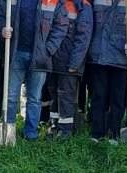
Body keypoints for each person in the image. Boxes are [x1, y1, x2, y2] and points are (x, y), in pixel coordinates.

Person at [0, 0, 69, 140]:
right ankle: (8, 131)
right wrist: (2, 28)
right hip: (15, 53)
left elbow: (61, 24)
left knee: (35, 97)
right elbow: (0, 15)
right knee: (10, 96)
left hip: (40, 56)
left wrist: (49, 49)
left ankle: (30, 133)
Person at [86, 0, 127, 142]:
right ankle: (97, 133)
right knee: (98, 95)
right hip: (98, 55)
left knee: (118, 98)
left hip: (122, 58)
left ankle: (114, 133)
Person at [46, 0, 93, 137]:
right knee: (54, 95)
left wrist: (74, 63)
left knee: (65, 97)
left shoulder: (83, 6)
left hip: (68, 62)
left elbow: (84, 37)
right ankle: (54, 126)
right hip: (54, 60)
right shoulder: (57, 2)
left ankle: (65, 131)